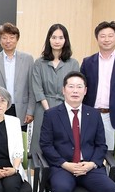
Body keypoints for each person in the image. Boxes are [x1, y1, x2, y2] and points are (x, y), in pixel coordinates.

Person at [39, 71, 115, 192]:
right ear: (63, 90)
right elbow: (45, 145)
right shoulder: (52, 114)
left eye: (79, 87)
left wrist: (92, 164)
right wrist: (64, 164)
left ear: (85, 91)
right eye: (71, 87)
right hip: (63, 166)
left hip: (88, 166)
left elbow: (101, 145)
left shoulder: (94, 114)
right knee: (60, 188)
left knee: (111, 190)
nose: (75, 91)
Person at [81, 21, 115, 150]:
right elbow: (81, 89)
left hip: (114, 117)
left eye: (110, 36)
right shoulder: (88, 62)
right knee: (88, 151)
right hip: (90, 114)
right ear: (97, 38)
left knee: (111, 154)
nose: (106, 39)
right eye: (102, 36)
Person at [30, 24, 81, 155]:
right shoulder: (39, 63)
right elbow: (37, 88)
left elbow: (75, 88)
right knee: (40, 143)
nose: (57, 41)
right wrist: (49, 111)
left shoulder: (73, 63)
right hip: (43, 108)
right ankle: (38, 168)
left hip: (65, 108)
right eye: (54, 37)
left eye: (60, 37)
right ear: (49, 39)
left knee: (64, 143)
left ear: (65, 40)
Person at [0, 22, 35, 131]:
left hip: (21, 110)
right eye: (4, 38)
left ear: (17, 39)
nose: (8, 41)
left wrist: (30, 111)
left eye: (12, 37)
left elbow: (32, 87)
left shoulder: (28, 59)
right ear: (0, 40)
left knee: (19, 139)